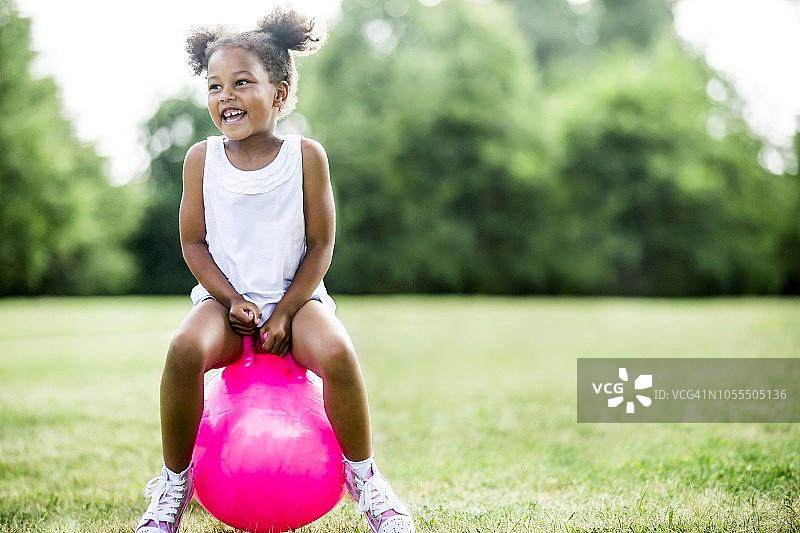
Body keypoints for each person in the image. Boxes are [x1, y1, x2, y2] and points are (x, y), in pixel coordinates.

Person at [135, 8, 415, 533]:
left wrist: (285, 311)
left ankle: (365, 478)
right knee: (182, 350)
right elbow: (193, 243)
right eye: (215, 86)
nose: (227, 96)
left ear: (280, 94)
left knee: (338, 352)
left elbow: (320, 243)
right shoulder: (201, 159)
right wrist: (230, 298)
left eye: (243, 83)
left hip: (298, 301)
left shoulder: (306, 156)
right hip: (223, 304)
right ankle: (176, 483)